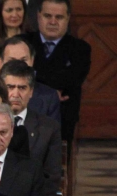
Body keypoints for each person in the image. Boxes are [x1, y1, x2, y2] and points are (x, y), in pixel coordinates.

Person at [25, 0, 90, 141]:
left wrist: (35, 76)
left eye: (59, 17)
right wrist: (48, 93)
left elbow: (71, 79)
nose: (53, 22)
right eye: (48, 16)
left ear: (67, 19)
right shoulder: (23, 43)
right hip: (25, 112)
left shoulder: (80, 48)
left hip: (63, 115)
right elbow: (16, 73)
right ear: (38, 16)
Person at [0, 59, 62, 192]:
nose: (15, 94)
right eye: (10, 87)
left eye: (22, 88)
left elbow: (51, 178)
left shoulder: (49, 128)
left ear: (31, 92)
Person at [0, 36, 61, 123]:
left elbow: (52, 134)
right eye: (12, 61)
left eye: (23, 60)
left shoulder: (49, 97)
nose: (18, 66)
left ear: (32, 61)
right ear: (0, 63)